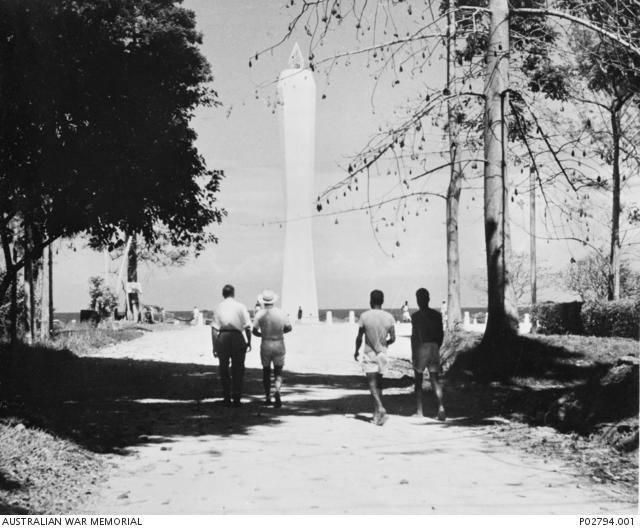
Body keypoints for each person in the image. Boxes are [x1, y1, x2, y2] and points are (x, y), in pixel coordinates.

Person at [354, 289, 396, 426]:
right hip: (383, 354)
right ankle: (377, 415)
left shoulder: (364, 316)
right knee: (379, 384)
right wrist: (385, 344)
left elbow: (359, 337)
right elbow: (393, 338)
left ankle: (380, 407)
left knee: (371, 384)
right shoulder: (389, 317)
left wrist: (356, 351)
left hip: (369, 353)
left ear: (371, 300)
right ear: (382, 301)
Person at [211, 284, 252, 407]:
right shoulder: (240, 306)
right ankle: (237, 397)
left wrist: (215, 346)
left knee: (224, 368)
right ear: (233, 294)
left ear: (223, 294)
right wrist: (249, 341)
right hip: (237, 337)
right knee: (238, 368)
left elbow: (214, 329)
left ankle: (227, 397)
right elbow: (248, 326)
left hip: (223, 337)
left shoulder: (218, 307)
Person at [253, 290, 292, 408]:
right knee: (278, 371)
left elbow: (254, 331)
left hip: (266, 343)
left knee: (266, 371)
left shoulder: (259, 314)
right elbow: (289, 328)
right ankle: (277, 392)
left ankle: (267, 397)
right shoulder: (280, 313)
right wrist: (281, 332)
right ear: (274, 301)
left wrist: (262, 335)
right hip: (279, 342)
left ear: (263, 301)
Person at [411, 288, 446, 420]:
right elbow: (441, 335)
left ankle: (419, 411)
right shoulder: (437, 315)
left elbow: (414, 337)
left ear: (418, 300)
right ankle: (441, 408)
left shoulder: (415, 316)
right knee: (435, 380)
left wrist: (414, 353)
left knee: (418, 380)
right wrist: (437, 346)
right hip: (434, 347)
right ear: (428, 299)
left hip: (421, 347)